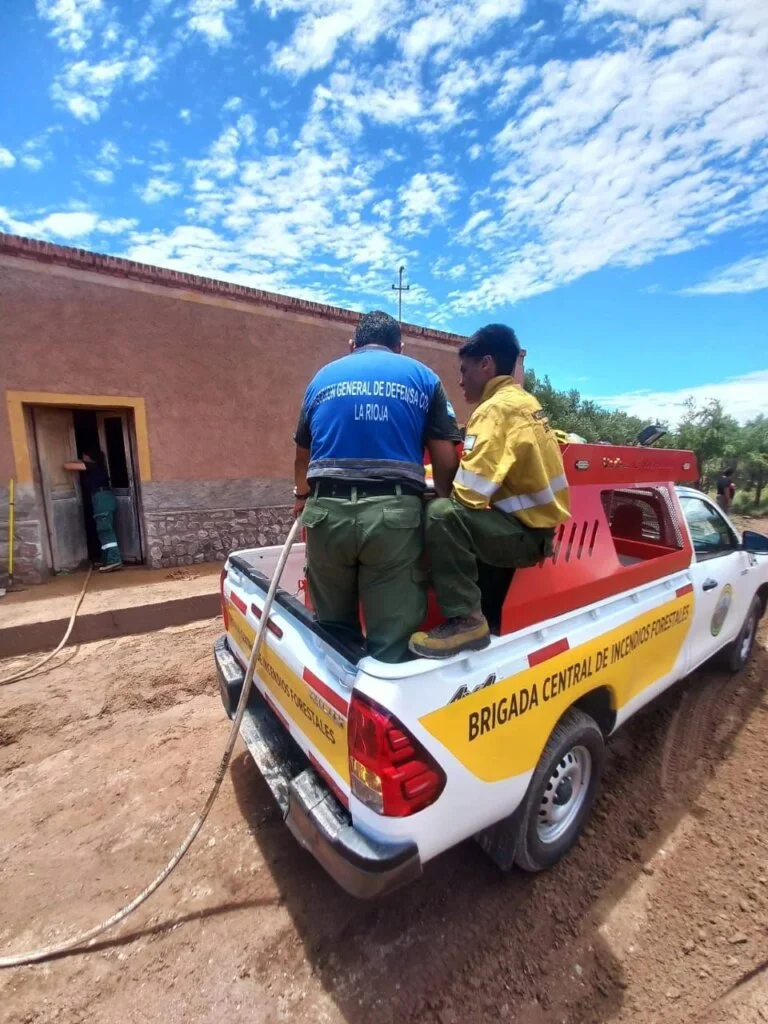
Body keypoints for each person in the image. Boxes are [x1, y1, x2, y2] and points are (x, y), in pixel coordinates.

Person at [294, 310, 461, 662]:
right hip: (393, 518)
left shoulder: (321, 379)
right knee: (391, 640)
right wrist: (446, 503)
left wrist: (302, 496)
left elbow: (301, 458)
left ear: (351, 345)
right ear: (399, 347)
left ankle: (337, 702)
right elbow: (444, 459)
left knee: (333, 633)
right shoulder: (424, 378)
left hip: (325, 515)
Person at [409, 324, 571, 659]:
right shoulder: (523, 402)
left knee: (442, 515)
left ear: (486, 365)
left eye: (464, 370)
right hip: (532, 528)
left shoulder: (495, 409)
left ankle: (467, 620)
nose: (460, 380)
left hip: (524, 534)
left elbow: (467, 495)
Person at [64, 449, 123, 572]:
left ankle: (114, 560)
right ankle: (106, 559)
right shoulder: (97, 467)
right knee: (102, 529)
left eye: (84, 455)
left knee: (105, 529)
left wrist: (77, 460)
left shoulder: (93, 466)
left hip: (102, 499)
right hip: (101, 498)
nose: (82, 456)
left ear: (89, 456)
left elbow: (67, 466)